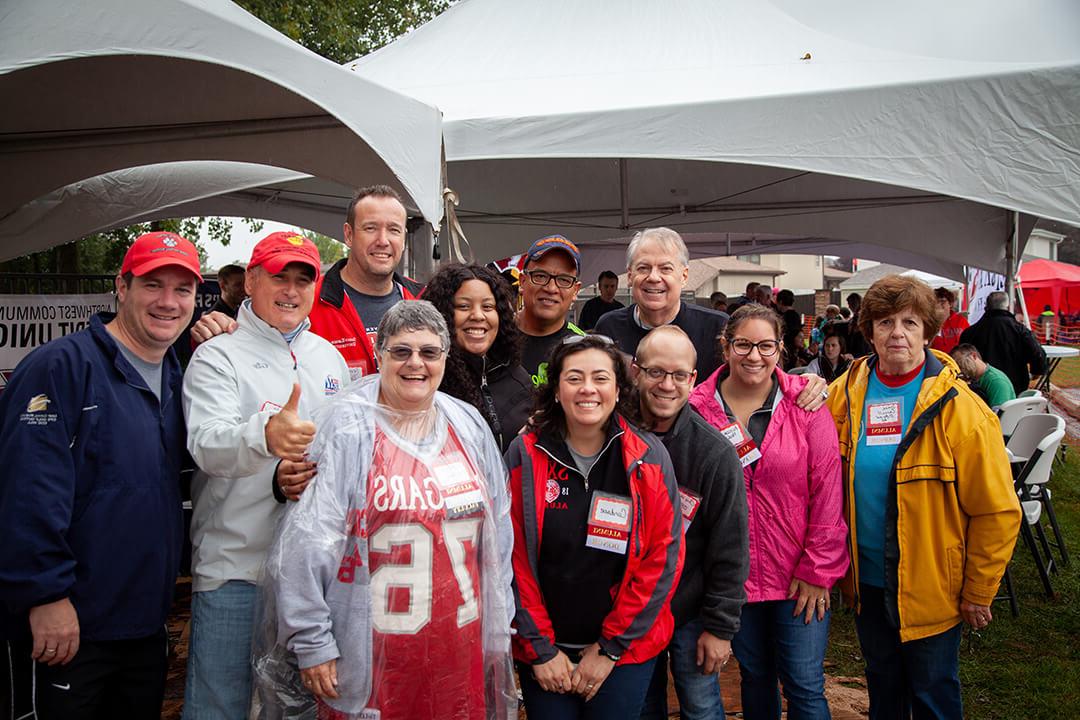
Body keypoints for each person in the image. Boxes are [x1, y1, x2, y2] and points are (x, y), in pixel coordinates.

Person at [255, 301, 516, 720]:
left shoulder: (466, 425)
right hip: (368, 652)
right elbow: (306, 546)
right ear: (380, 354)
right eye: (402, 351)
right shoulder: (347, 425)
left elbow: (497, 537)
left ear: (446, 359)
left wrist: (499, 624)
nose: (416, 363)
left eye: (429, 352)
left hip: (457, 645)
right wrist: (313, 640)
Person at [0, 231, 202, 718]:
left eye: (183, 290)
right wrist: (45, 595)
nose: (168, 303)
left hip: (144, 624)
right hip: (68, 627)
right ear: (122, 286)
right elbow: (25, 490)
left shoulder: (179, 375)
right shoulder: (60, 367)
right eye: (154, 285)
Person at [826, 275, 1021, 719]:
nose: (897, 333)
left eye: (910, 323)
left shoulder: (963, 411)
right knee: (883, 687)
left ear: (929, 332)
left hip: (934, 585)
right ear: (869, 330)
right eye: (885, 322)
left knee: (933, 693)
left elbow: (997, 511)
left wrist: (978, 590)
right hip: (869, 582)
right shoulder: (843, 395)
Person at [181, 232, 349, 719]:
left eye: (303, 279)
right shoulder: (217, 354)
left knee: (298, 709)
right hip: (238, 571)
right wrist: (267, 437)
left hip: (314, 578)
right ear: (250, 280)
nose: (291, 290)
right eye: (280, 277)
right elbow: (206, 446)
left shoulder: (328, 357)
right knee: (222, 707)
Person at [506, 335, 684, 719]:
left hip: (624, 650)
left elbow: (663, 559)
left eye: (600, 378)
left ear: (619, 390)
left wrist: (610, 649)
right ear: (555, 390)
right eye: (574, 378)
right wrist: (540, 650)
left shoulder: (649, 456)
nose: (588, 389)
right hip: (546, 652)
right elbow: (511, 559)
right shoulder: (525, 454)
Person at [689, 304, 848, 720]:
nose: (754, 356)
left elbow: (828, 493)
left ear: (781, 348)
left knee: (804, 687)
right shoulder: (697, 407)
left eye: (766, 345)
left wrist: (818, 571)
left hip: (798, 577)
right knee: (755, 677)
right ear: (725, 347)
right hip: (733, 578)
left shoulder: (805, 405)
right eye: (743, 344)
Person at [634, 327, 749, 720]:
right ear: (635, 372)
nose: (667, 385)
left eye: (679, 375)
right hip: (631, 609)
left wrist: (720, 629)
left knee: (700, 709)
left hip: (691, 609)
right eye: (655, 372)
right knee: (639, 708)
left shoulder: (714, 453)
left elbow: (730, 548)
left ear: (693, 380)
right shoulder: (610, 436)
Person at [191, 186, 423, 380]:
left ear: (403, 237)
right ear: (349, 234)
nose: (383, 241)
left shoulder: (425, 299)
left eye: (393, 230)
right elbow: (252, 347)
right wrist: (219, 327)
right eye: (370, 228)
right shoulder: (304, 299)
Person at [595, 227, 729, 382]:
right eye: (643, 268)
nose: (653, 277)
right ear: (630, 276)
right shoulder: (609, 327)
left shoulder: (716, 329)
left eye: (665, 269)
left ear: (684, 276)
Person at [424, 262, 533, 452]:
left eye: (488, 306)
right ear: (441, 314)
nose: (477, 315)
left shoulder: (517, 376)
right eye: (464, 306)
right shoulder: (428, 381)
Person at [516, 235, 585, 386]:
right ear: (522, 282)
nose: (551, 288)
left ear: (575, 291)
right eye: (540, 276)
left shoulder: (584, 348)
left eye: (564, 280)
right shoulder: (494, 336)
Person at [959, 290, 1047, 395]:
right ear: (1008, 306)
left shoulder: (970, 333)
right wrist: (1037, 370)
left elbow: (961, 361)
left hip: (980, 391)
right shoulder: (1019, 330)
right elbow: (1037, 353)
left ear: (986, 307)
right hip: (1014, 388)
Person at [951, 343, 1016, 409]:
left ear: (974, 356)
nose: (959, 368)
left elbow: (998, 416)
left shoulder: (996, 381)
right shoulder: (973, 379)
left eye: (960, 362)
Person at [929, 287, 968, 354]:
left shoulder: (961, 320)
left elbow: (968, 341)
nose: (939, 304)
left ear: (950, 304)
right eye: (936, 302)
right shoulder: (929, 322)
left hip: (957, 360)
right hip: (937, 360)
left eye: (942, 301)